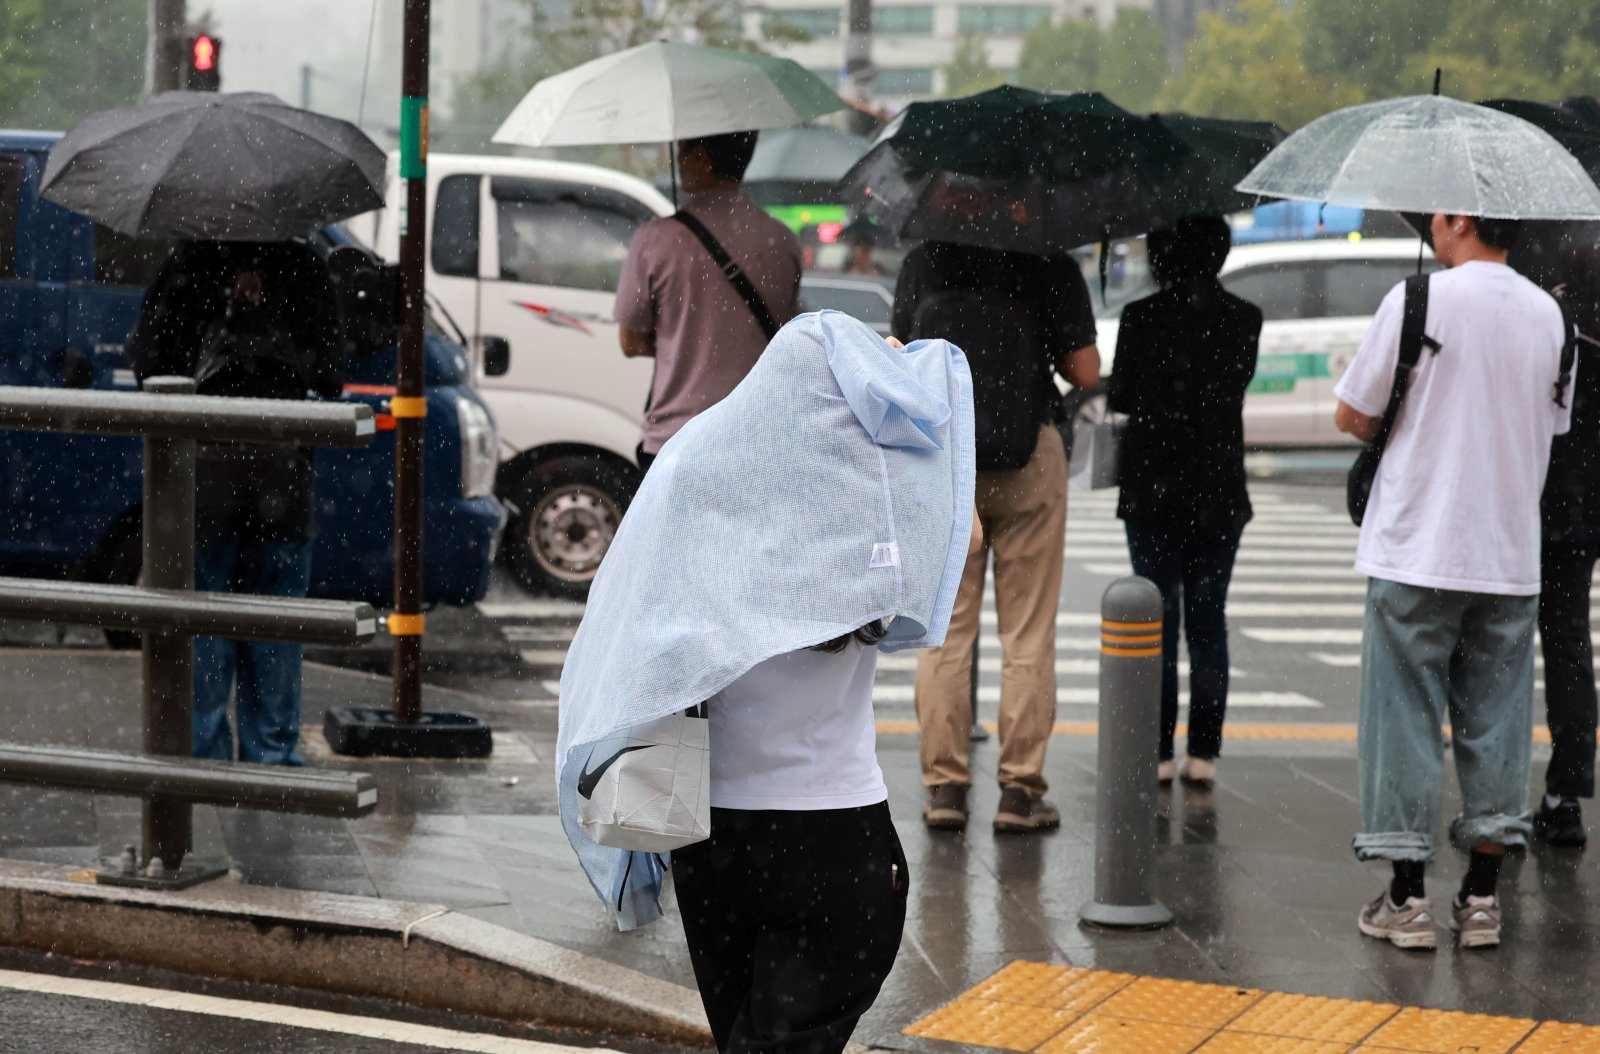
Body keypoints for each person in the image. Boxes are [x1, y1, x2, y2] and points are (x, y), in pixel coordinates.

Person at [556, 312, 976, 1052]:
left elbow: (635, 625)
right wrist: (901, 384)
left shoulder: (697, 476)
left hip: (714, 837)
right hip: (837, 836)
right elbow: (961, 533)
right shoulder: (865, 506)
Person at [1334, 213, 1573, 950]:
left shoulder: (1416, 300)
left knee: (1404, 714)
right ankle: (1480, 899)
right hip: (1508, 553)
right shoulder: (1551, 313)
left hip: (1418, 545)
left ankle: (1406, 899)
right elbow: (1552, 426)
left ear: (1460, 219)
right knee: (1497, 722)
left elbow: (1352, 414)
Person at [895, 239, 1100, 833]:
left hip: (946, 456)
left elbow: (902, 356)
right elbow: (1085, 370)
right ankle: (1019, 792)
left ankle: (945, 789)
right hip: (1028, 453)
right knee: (1028, 632)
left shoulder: (928, 257)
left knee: (945, 630)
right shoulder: (1048, 257)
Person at [128, 240, 344, 766]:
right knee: (276, 626)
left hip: (203, 477)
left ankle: (203, 757)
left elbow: (149, 364)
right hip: (283, 472)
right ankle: (271, 757)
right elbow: (330, 376)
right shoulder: (305, 263)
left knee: (202, 618)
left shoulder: (188, 261)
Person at [1107, 215, 1261, 787]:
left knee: (1156, 621)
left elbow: (1121, 393)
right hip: (1220, 487)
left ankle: (1160, 752)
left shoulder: (1140, 317)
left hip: (1152, 486)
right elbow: (1232, 386)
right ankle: (1204, 753)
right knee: (1208, 622)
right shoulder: (1246, 318)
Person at [615, 131, 803, 477]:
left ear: (701, 157)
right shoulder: (783, 240)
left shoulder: (655, 238)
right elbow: (788, 334)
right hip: (759, 441)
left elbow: (631, 341)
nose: (678, 161)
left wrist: (685, 341)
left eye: (683, 150)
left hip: (676, 444)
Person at [1518, 233, 1600, 848]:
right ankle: (1564, 794)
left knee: (1503, 640)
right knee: (1569, 641)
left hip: (1541, 501)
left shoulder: (1551, 322)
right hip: (1589, 508)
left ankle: (1495, 792)